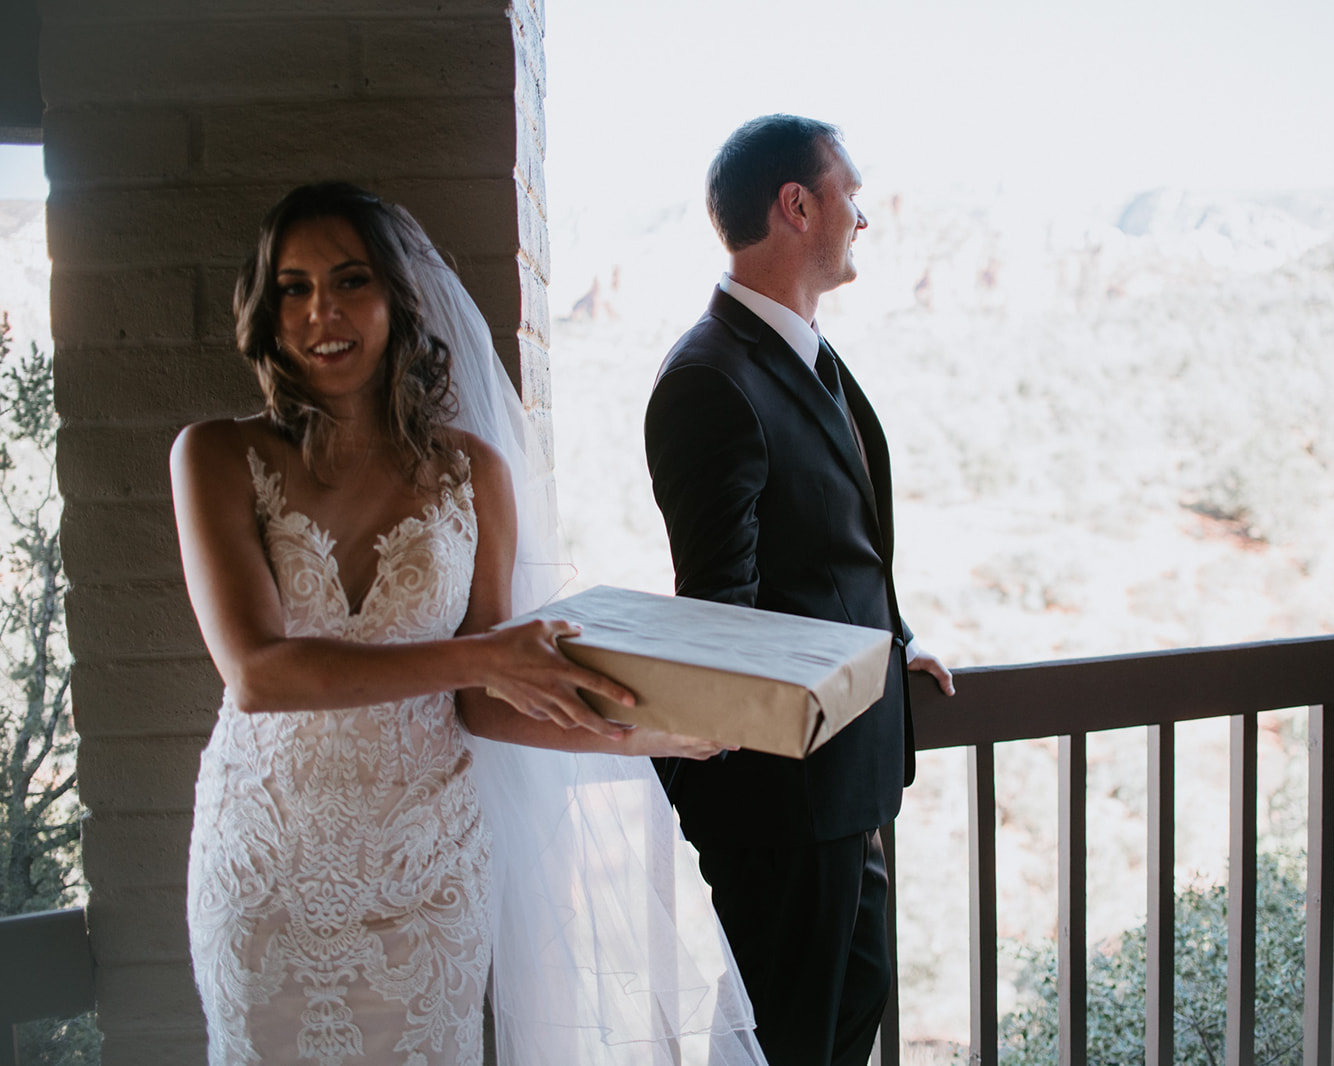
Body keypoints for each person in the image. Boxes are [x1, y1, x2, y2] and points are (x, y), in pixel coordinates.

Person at [175, 182, 767, 1065]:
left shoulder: (474, 474)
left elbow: (485, 702)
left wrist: (649, 736)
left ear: (398, 300)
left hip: (427, 876)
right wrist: (484, 656)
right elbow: (261, 675)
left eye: (350, 281)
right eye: (293, 288)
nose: (321, 313)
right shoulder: (219, 455)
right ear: (266, 310)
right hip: (267, 867)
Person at [644, 116, 955, 1066]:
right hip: (781, 808)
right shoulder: (709, 379)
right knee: (784, 1046)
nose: (863, 217)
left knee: (843, 1022)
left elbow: (836, 546)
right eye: (849, 195)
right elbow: (720, 611)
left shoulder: (803, 353)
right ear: (796, 205)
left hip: (845, 783)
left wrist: (896, 646)